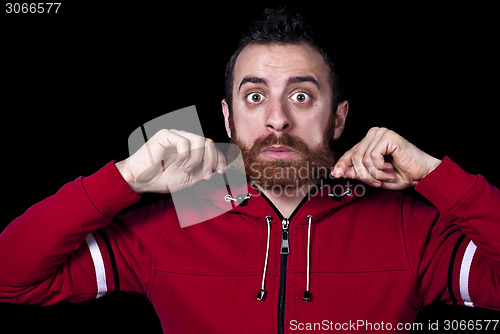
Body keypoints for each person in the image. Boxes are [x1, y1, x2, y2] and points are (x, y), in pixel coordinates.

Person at [1, 7, 499, 334]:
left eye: (301, 96)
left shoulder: (411, 228)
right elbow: (9, 278)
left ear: (340, 117)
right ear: (226, 116)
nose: (278, 118)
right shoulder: (166, 227)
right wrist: (124, 180)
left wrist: (438, 176)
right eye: (255, 96)